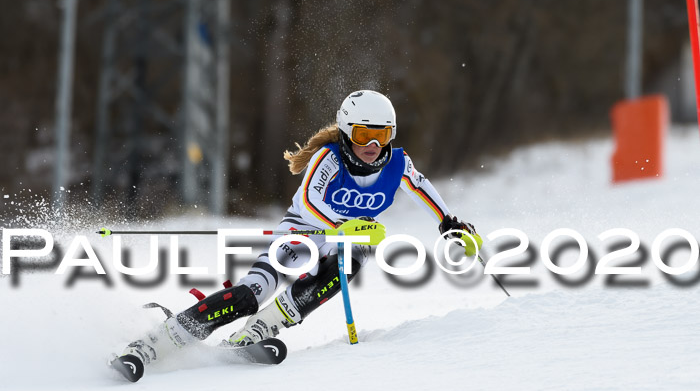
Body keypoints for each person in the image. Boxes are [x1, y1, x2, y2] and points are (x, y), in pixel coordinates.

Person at [117, 90, 482, 373]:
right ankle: (155, 343)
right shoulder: (328, 158)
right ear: (346, 131)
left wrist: (449, 224)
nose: (373, 145)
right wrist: (340, 227)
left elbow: (421, 188)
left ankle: (257, 331)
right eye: (363, 133)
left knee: (340, 272)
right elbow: (309, 201)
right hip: (303, 232)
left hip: (350, 240)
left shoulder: (397, 162)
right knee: (249, 294)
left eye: (382, 135)